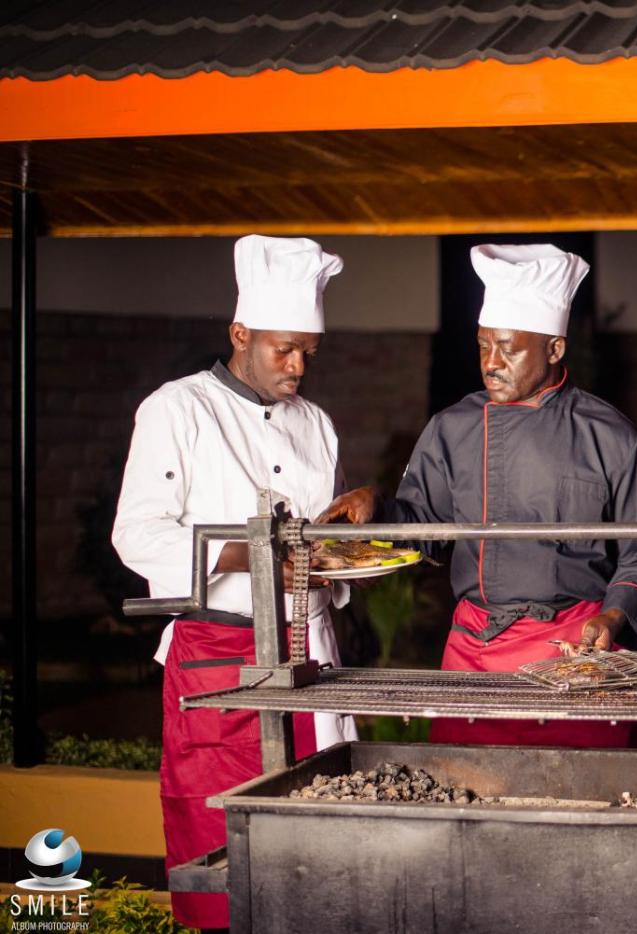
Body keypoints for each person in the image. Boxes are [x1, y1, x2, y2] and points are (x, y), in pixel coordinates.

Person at [322, 243, 637, 747]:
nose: (491, 363)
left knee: (577, 788)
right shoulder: (452, 429)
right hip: (475, 650)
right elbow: (425, 525)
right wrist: (377, 507)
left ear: (554, 349)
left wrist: (615, 614)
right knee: (464, 784)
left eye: (508, 348)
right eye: (483, 345)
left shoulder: (609, 435)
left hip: (576, 650)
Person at [112, 235, 358, 932]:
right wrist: (251, 557)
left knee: (317, 845)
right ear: (240, 334)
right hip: (218, 659)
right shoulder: (177, 409)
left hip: (309, 658)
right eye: (285, 349)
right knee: (220, 846)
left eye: (309, 351)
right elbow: (138, 534)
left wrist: (339, 541)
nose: (298, 366)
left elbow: (318, 544)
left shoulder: (317, 425)